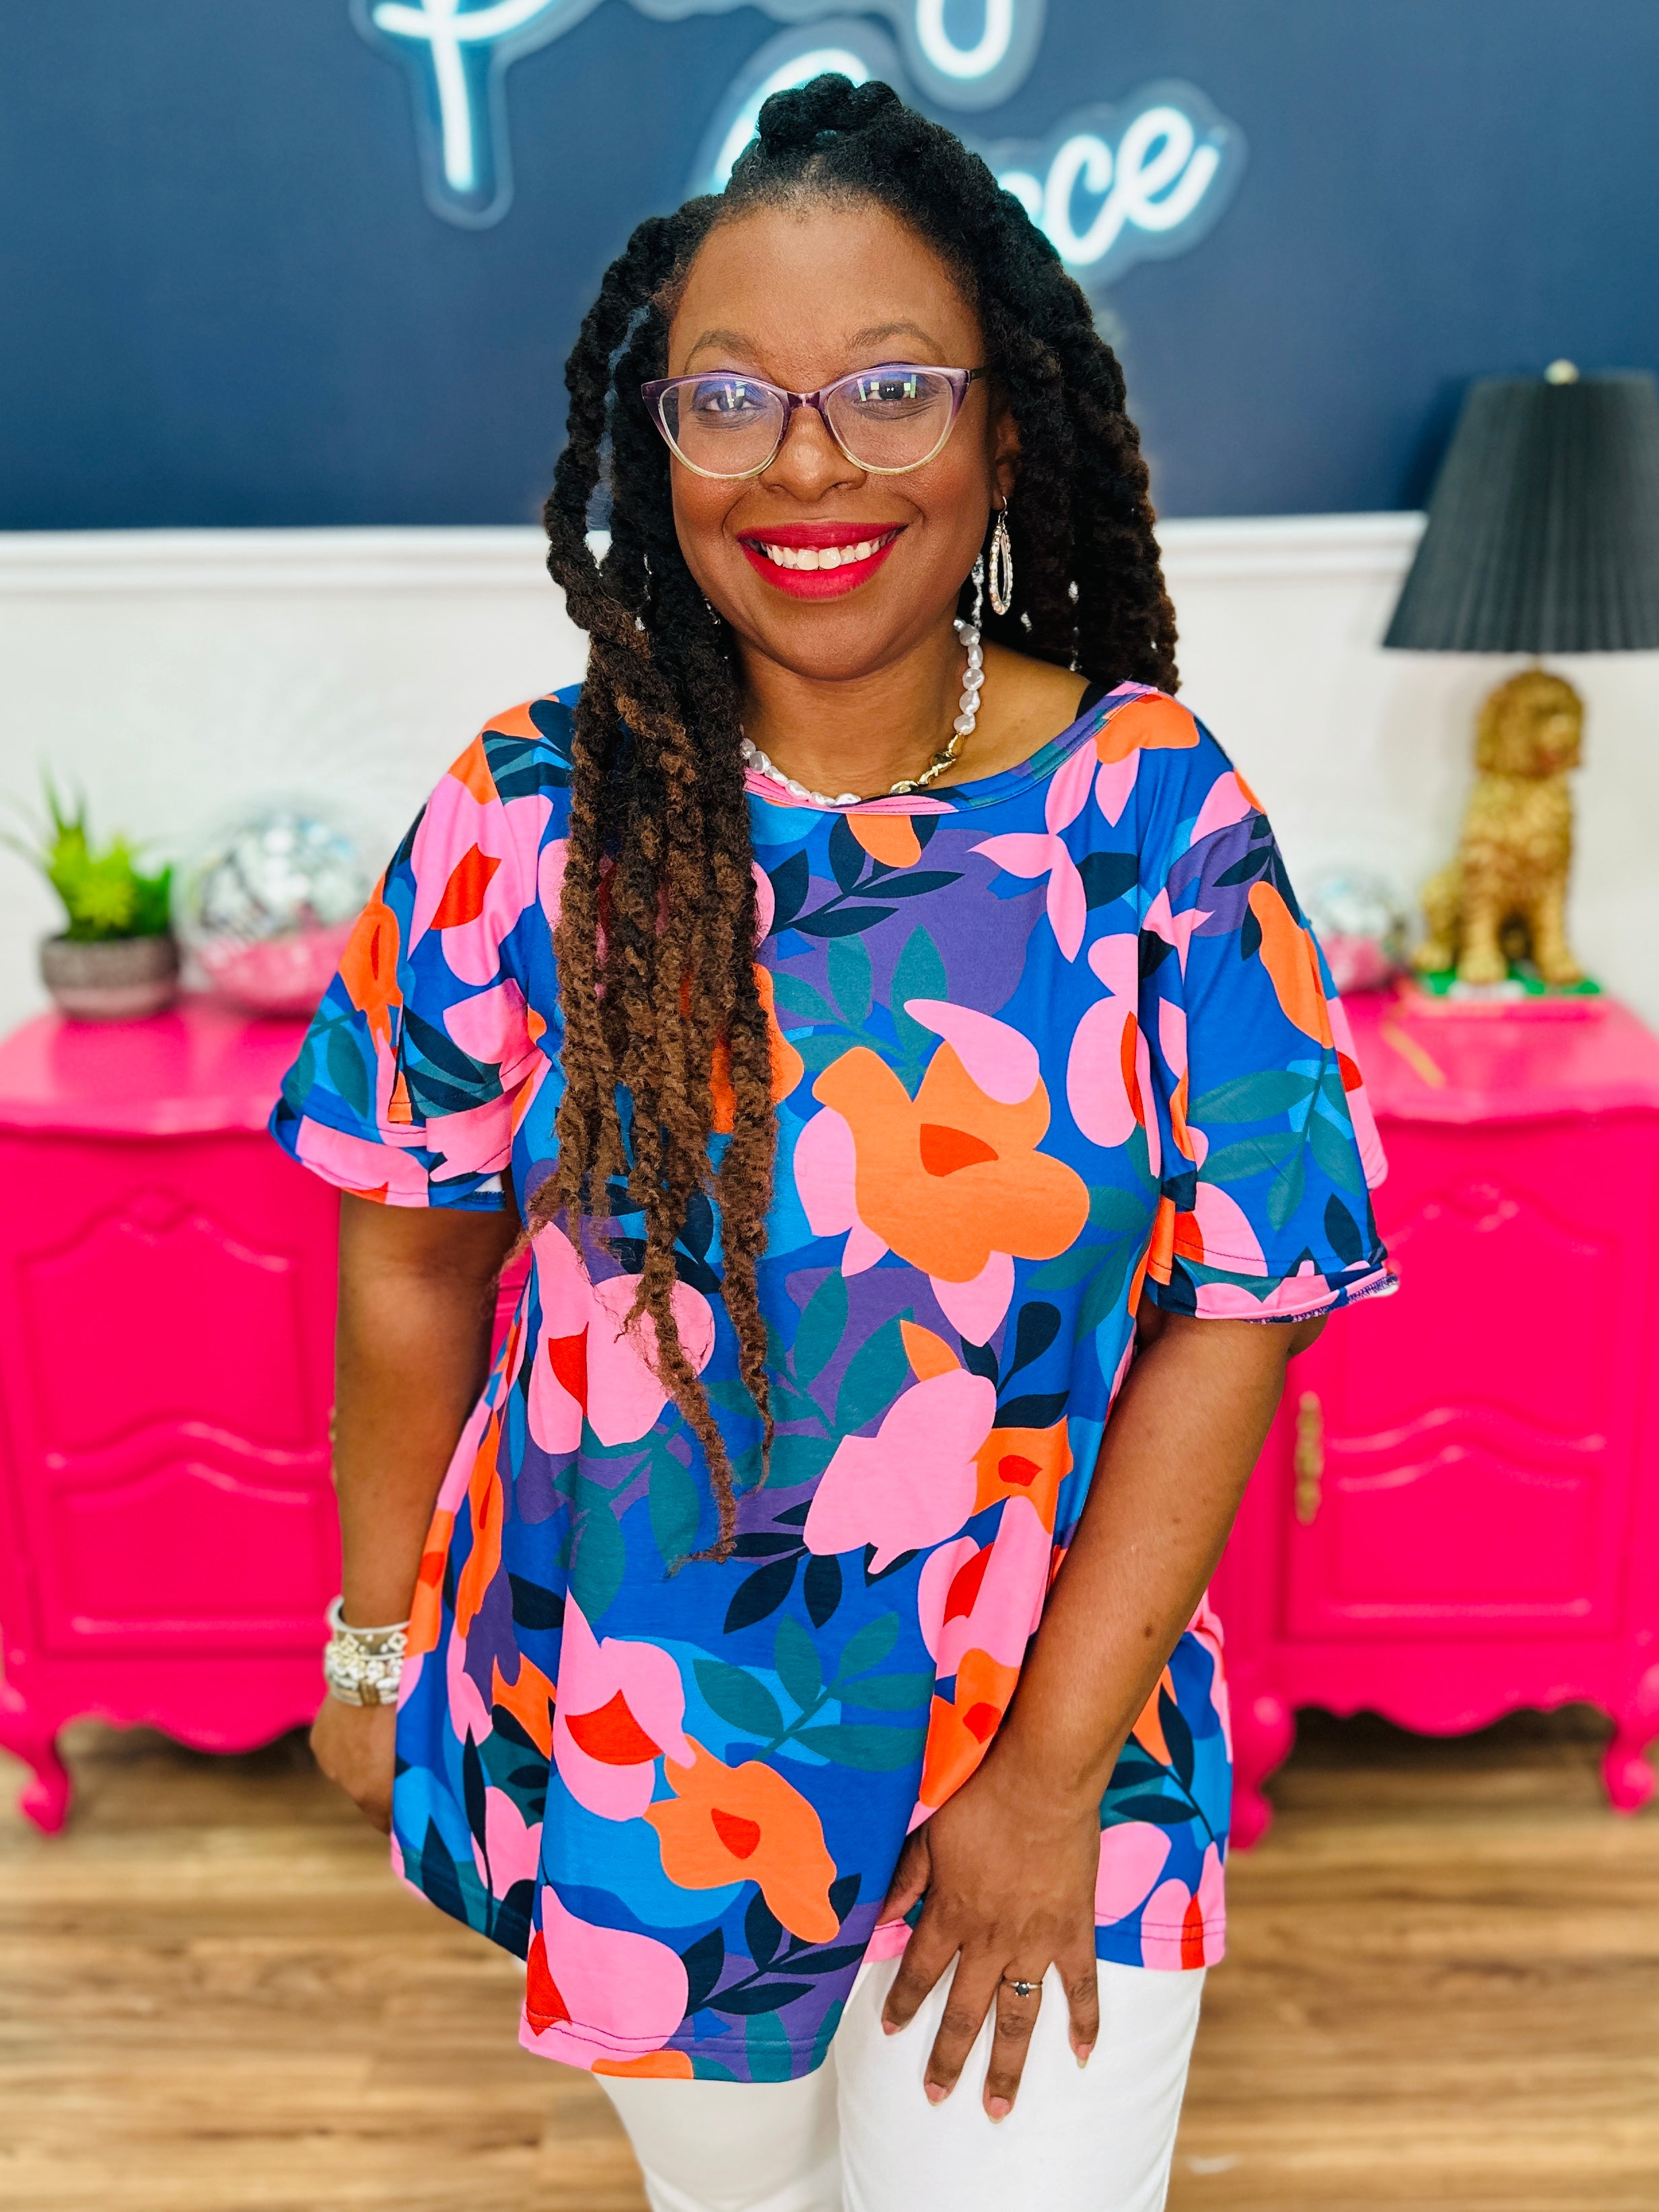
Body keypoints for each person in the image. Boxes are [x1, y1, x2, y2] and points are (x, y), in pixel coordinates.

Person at [277, 75, 1394, 2212]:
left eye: (890, 390)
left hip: (1058, 1744)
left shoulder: (1152, 814)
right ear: (658, 444)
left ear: (1001, 435)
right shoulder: (526, 816)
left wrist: (1041, 1783)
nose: (807, 464)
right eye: (730, 397)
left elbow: (1242, 1312)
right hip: (636, 1748)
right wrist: (372, 1645)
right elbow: (407, 1255)